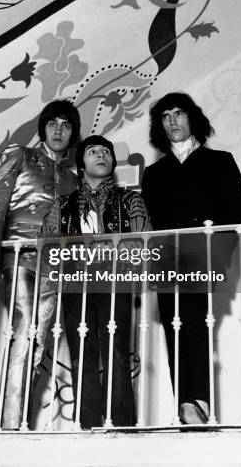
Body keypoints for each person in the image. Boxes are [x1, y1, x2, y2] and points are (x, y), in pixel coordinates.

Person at [0, 100, 81, 429]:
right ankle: (11, 423)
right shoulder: (21, 154)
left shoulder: (73, 180)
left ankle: (17, 420)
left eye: (66, 126)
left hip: (56, 264)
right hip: (19, 255)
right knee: (25, 327)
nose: (59, 130)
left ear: (72, 133)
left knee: (39, 340)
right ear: (43, 128)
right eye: (53, 124)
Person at [141, 92, 241, 424]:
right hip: (167, 258)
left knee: (194, 322)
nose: (172, 120)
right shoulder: (155, 173)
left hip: (204, 255)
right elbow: (152, 222)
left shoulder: (221, 161)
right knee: (175, 327)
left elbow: (235, 211)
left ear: (192, 118)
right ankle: (188, 405)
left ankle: (195, 402)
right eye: (165, 116)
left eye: (178, 113)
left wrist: (219, 256)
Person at [42, 135, 152, 428]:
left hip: (114, 279)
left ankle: (121, 423)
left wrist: (114, 253)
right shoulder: (62, 205)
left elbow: (143, 242)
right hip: (75, 281)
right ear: (81, 164)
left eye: (106, 152)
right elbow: (47, 244)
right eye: (93, 151)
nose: (101, 155)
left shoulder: (131, 199)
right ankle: (87, 422)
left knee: (116, 349)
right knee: (81, 352)